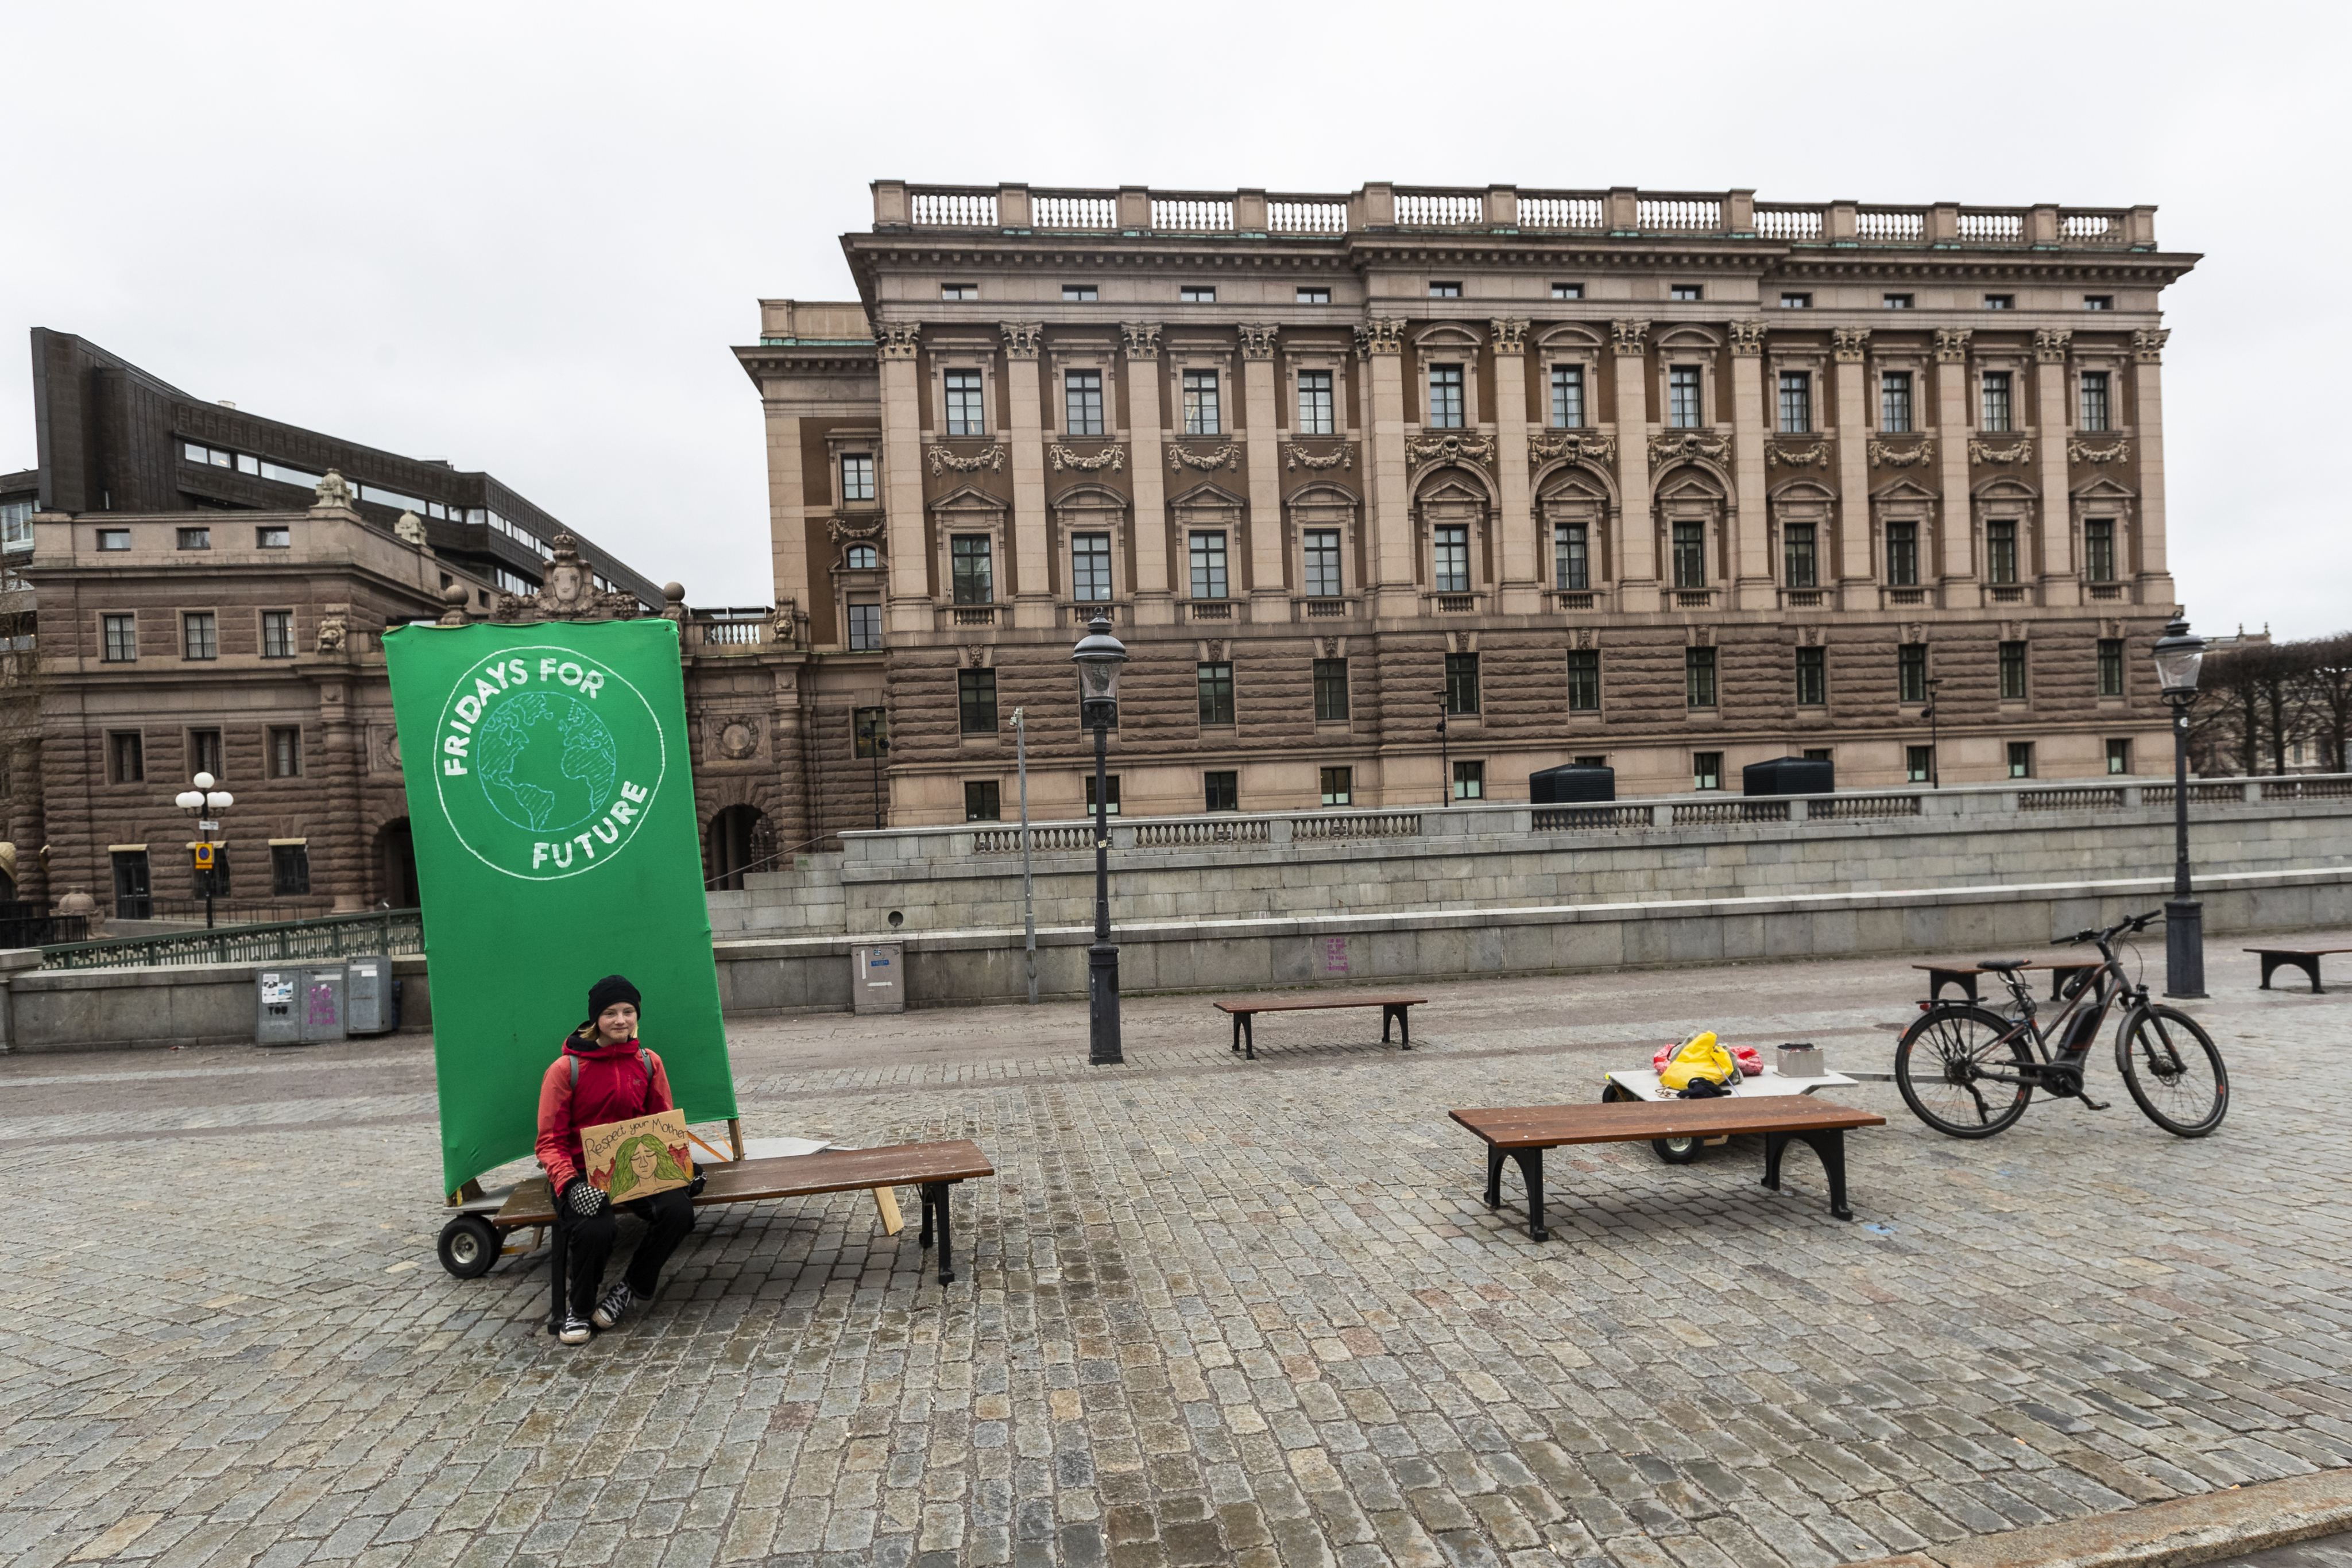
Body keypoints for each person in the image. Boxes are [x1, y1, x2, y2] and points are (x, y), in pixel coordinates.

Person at [535, 974, 695, 1345]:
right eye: (610, 1013)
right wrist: (569, 1185)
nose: (620, 1020)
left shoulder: (649, 1062)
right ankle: (580, 1307)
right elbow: (549, 1141)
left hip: (636, 1165)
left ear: (637, 1015)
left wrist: (684, 1167)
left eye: (628, 1011)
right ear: (596, 1018)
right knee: (596, 1228)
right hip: (580, 1172)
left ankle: (631, 1287)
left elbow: (661, 1125)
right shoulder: (565, 1069)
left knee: (678, 1212)